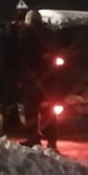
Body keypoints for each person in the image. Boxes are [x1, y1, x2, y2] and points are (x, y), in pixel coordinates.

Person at [19, 9, 58, 150]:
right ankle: (52, 140)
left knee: (31, 111)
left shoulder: (25, 34)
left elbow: (21, 58)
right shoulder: (50, 34)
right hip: (48, 80)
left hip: (31, 80)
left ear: (28, 20)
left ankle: (33, 139)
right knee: (48, 111)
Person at [0, 4, 29, 135]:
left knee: (11, 98)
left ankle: (13, 123)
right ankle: (9, 126)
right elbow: (14, 53)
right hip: (9, 70)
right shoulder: (11, 33)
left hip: (9, 69)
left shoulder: (8, 30)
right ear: (19, 21)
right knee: (9, 98)